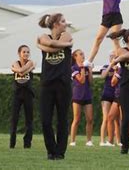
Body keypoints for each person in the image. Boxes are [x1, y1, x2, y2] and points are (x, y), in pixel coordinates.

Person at [36, 13, 73, 160]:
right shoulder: (44, 37)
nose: (66, 24)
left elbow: (53, 46)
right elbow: (51, 45)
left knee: (62, 119)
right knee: (45, 120)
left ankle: (60, 152)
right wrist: (66, 46)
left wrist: (40, 46)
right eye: (63, 21)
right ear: (56, 24)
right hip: (47, 84)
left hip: (63, 84)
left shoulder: (67, 35)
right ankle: (51, 150)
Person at [10, 45, 35, 149]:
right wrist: (26, 70)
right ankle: (12, 143)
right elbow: (20, 70)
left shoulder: (30, 62)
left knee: (29, 120)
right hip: (17, 94)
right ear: (19, 53)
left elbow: (20, 71)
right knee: (14, 119)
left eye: (28, 52)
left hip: (28, 94)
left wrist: (14, 69)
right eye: (24, 52)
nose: (26, 54)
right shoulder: (16, 63)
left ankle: (27, 143)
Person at [69, 49, 94, 147]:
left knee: (90, 119)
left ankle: (89, 140)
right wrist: (82, 68)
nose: (83, 55)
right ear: (75, 57)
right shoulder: (74, 68)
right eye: (80, 54)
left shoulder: (86, 68)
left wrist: (90, 70)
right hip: (77, 96)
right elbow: (81, 80)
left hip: (87, 95)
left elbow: (90, 82)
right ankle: (72, 141)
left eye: (83, 53)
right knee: (76, 119)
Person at [99, 51, 118, 146]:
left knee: (116, 120)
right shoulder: (106, 66)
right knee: (106, 118)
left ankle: (117, 140)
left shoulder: (119, 68)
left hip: (116, 95)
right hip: (106, 95)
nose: (112, 58)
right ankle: (102, 140)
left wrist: (116, 69)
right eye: (111, 56)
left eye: (114, 56)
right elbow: (103, 76)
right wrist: (111, 66)